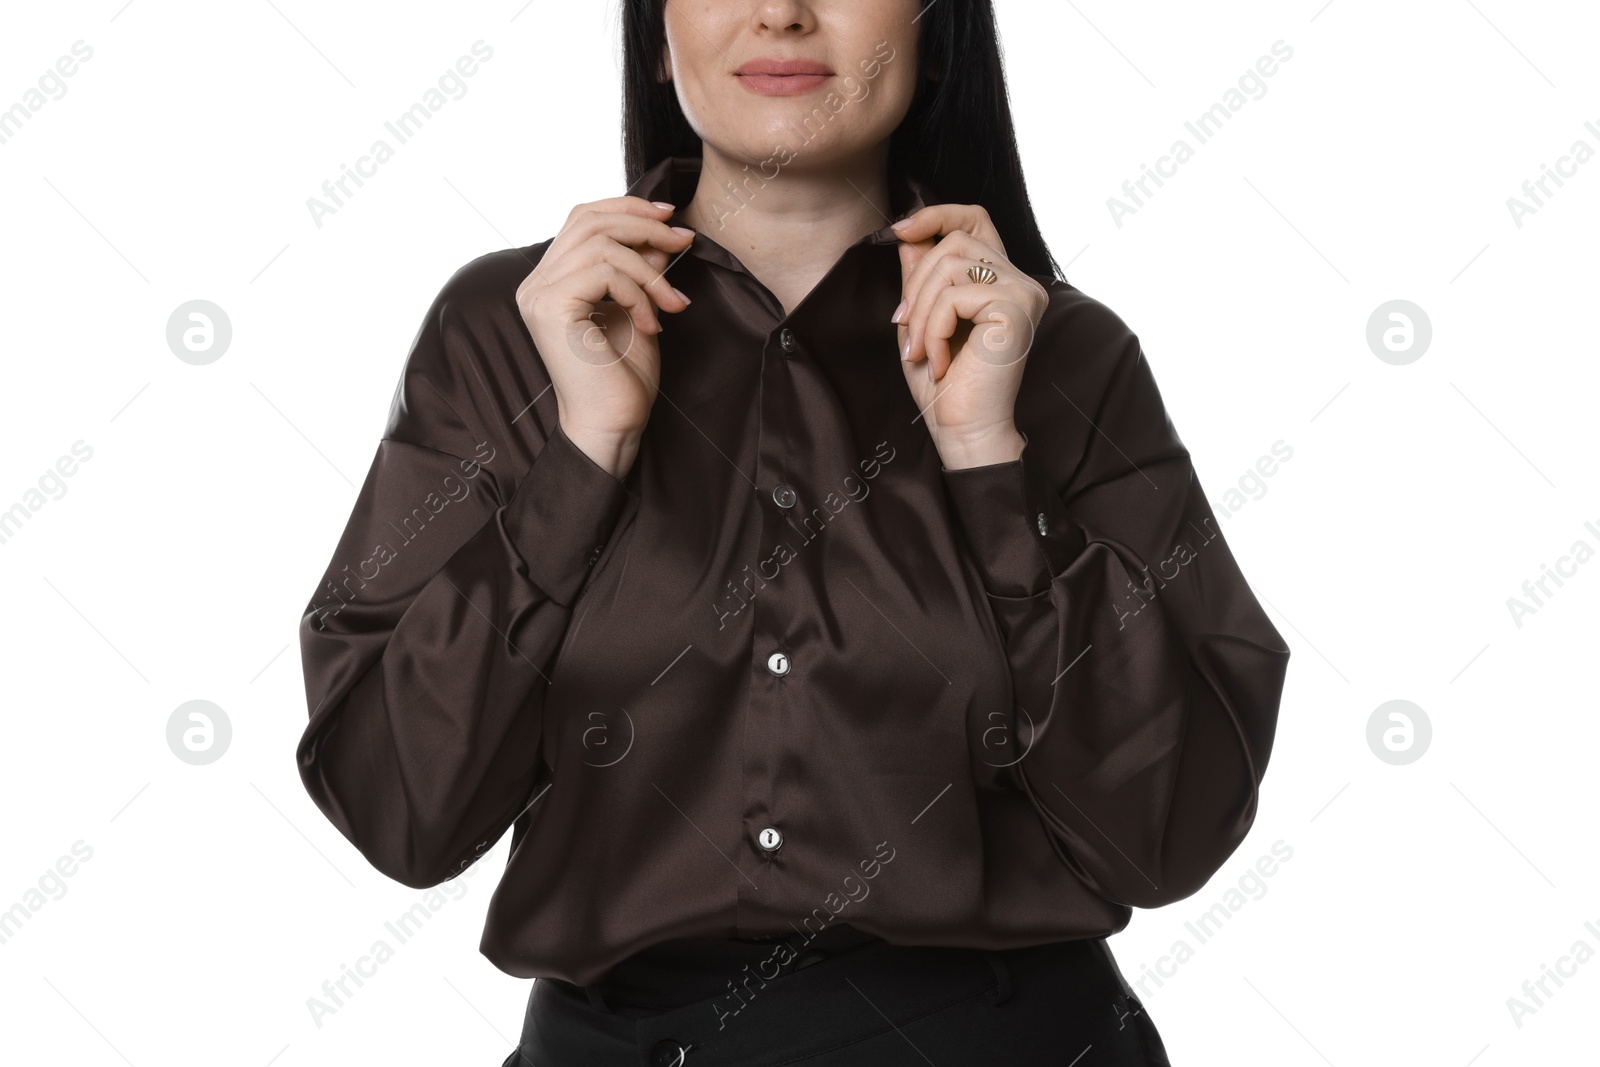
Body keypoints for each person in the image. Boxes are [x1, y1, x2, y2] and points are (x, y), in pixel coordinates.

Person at [294, 1, 1291, 1063]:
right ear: (655, 25)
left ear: (933, 25)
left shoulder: (1064, 356)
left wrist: (993, 467)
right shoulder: (511, 331)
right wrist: (581, 456)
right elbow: (398, 805)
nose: (780, 10)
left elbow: (1173, 830)